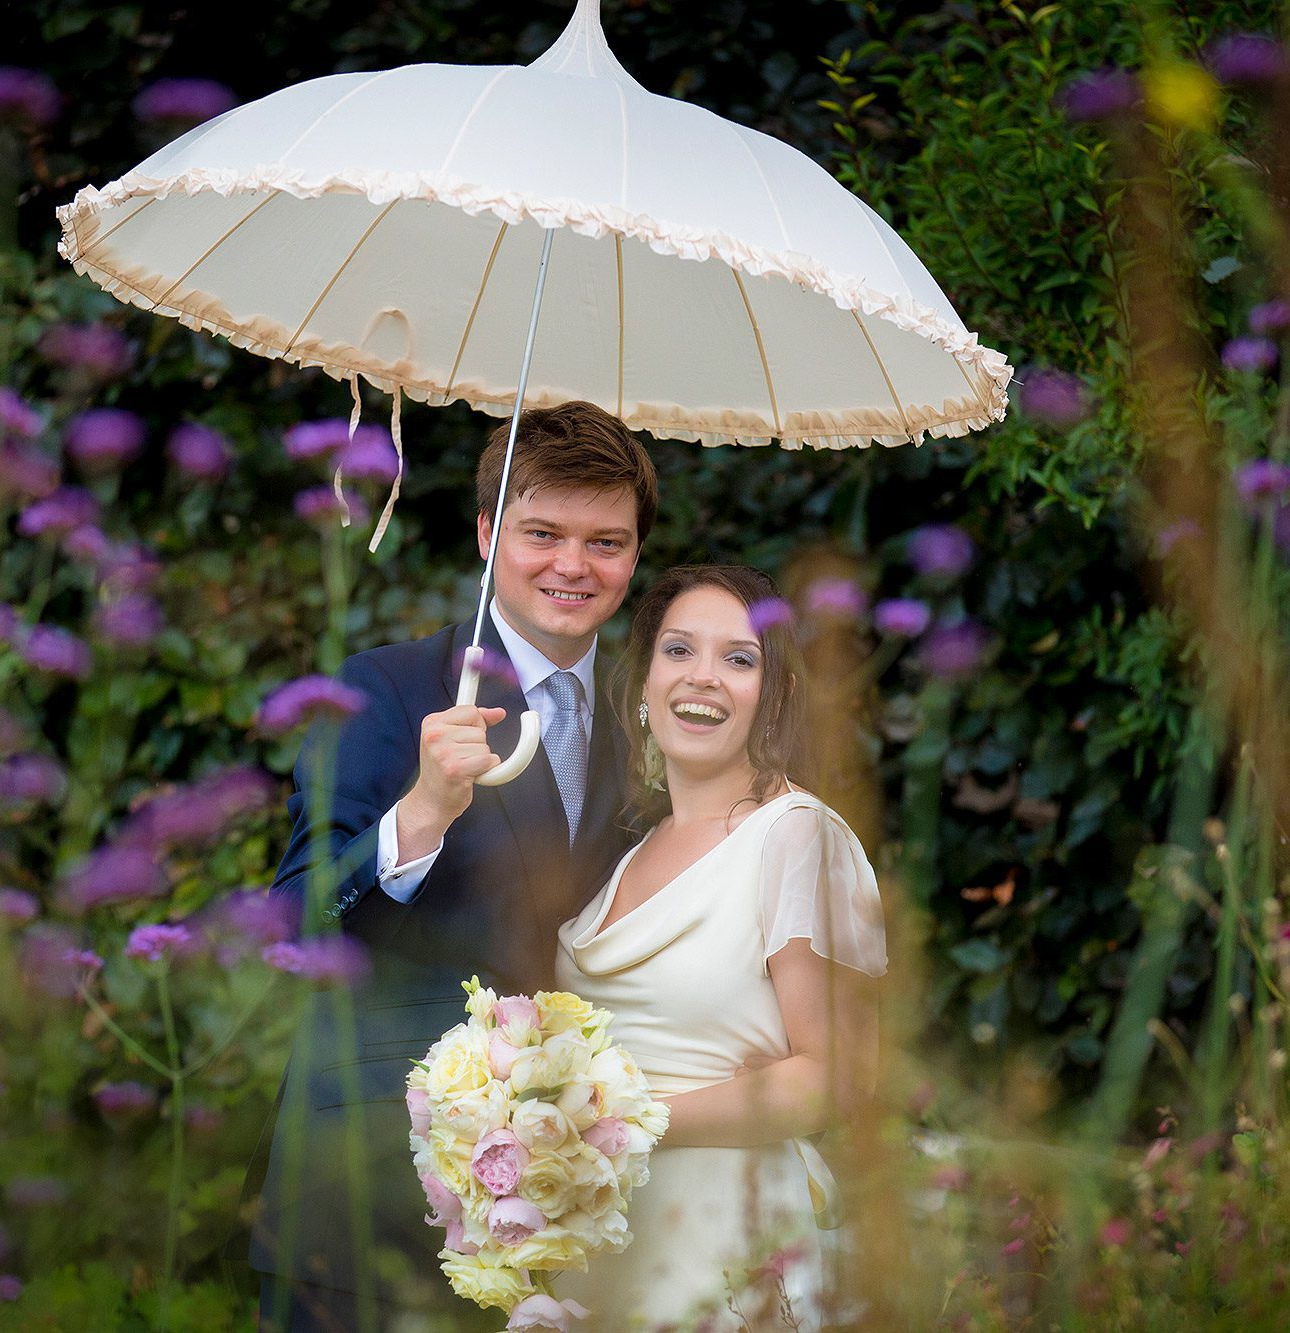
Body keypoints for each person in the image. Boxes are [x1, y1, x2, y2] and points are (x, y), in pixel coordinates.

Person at [250, 402, 659, 1330]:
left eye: (606, 542)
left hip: (563, 1217)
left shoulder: (648, 716)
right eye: (542, 533)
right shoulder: (382, 688)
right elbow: (292, 923)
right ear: (486, 533)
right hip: (363, 1199)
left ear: (635, 555)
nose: (573, 564)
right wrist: (423, 810)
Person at [554, 565, 887, 1329]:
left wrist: (628, 1123)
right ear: (644, 681)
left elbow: (838, 1075)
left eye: (739, 658)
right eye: (678, 650)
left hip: (727, 1241)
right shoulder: (630, 852)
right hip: (601, 1243)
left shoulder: (795, 836)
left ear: (776, 695)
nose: (702, 675)